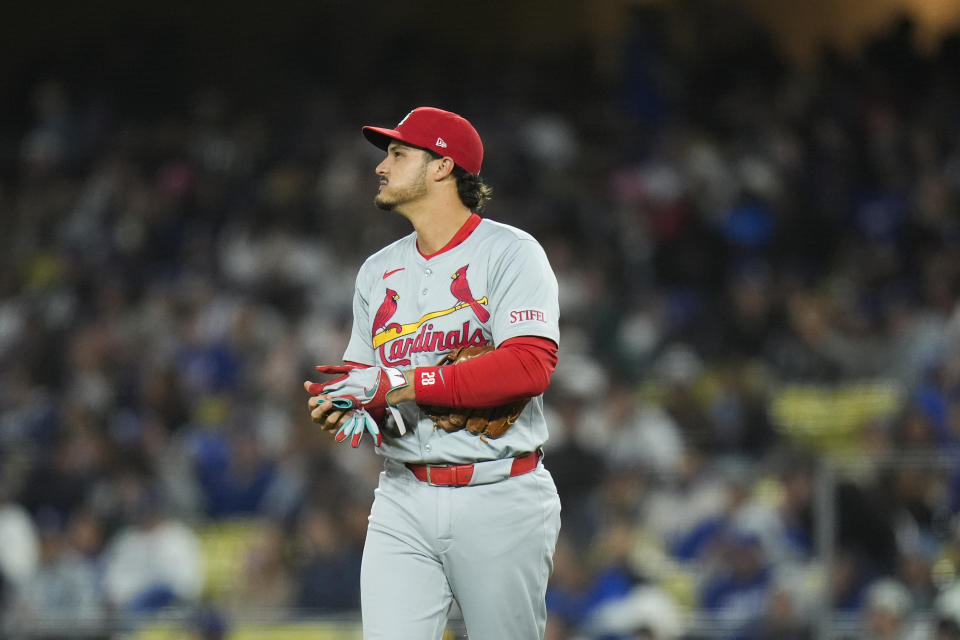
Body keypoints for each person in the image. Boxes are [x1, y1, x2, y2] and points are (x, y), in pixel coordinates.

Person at [303, 106, 562, 640]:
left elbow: (530, 366)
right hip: (402, 495)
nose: (382, 165)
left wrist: (409, 384)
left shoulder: (510, 252)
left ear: (442, 166)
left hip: (499, 490)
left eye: (399, 153)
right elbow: (367, 381)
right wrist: (351, 405)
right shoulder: (377, 270)